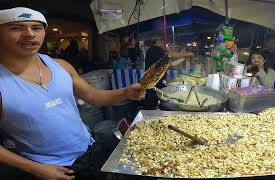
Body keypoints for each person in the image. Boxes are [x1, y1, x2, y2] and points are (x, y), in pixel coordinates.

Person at [0, 7, 146, 180]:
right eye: (16, 28)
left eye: (36, 28)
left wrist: (126, 92)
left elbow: (93, 96)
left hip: (90, 149)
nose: (29, 34)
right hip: (51, 169)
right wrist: (35, 169)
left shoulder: (61, 65)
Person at [142, 37, 193, 110]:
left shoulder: (153, 51)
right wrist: (188, 54)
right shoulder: (155, 49)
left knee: (153, 101)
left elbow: (170, 65)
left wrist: (184, 58)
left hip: (154, 83)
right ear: (158, 41)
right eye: (163, 43)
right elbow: (171, 55)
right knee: (151, 104)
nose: (164, 45)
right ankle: (148, 115)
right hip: (152, 83)